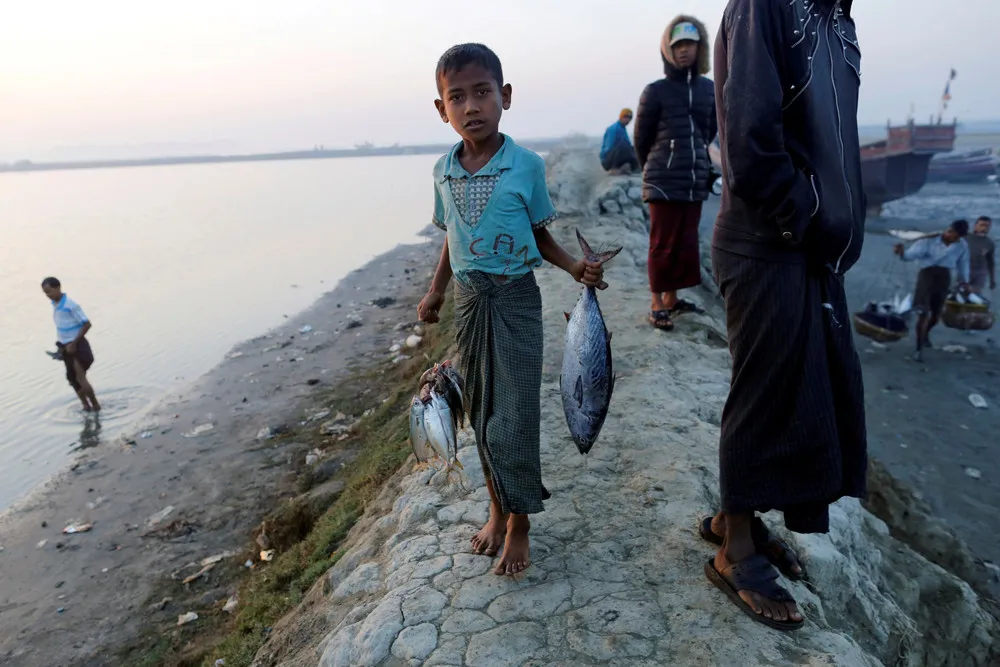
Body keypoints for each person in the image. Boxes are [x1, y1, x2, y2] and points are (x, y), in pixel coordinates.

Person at [417, 43, 608, 576]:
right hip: (470, 301)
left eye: (482, 93)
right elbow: (450, 238)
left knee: (516, 414)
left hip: (518, 299)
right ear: (442, 109)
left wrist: (575, 268)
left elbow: (541, 236)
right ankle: (496, 510)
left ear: (504, 97)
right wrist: (435, 291)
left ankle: (520, 522)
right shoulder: (442, 171)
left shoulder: (526, 165)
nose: (471, 106)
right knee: (480, 412)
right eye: (457, 97)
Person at [706, 0, 868, 630]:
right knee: (762, 394)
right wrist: (803, 212)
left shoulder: (839, 22)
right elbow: (748, 137)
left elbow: (837, 138)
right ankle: (733, 549)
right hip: (764, 242)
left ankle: (731, 515)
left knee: (806, 395)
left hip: (812, 249)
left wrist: (841, 224)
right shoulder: (763, 5)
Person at [634, 15, 717, 332]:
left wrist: (693, 157)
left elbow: (710, 130)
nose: (684, 51)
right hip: (663, 179)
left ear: (700, 48)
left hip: (694, 178)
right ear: (668, 50)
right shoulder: (655, 91)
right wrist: (656, 169)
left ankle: (672, 299)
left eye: (690, 45)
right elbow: (641, 139)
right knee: (662, 243)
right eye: (677, 45)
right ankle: (656, 304)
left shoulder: (709, 90)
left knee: (685, 242)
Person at [894, 219, 971, 360]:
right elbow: (912, 255)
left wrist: (965, 282)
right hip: (926, 276)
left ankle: (925, 335)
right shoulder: (929, 240)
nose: (953, 237)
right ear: (949, 229)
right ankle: (918, 349)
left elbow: (963, 263)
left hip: (944, 278)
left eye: (957, 236)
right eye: (952, 233)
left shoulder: (962, 245)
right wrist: (902, 253)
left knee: (936, 315)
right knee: (923, 312)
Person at [41, 277, 100, 412]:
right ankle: (85, 405)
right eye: (45, 293)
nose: (47, 296)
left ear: (58, 288)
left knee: (80, 377)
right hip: (65, 346)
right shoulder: (55, 304)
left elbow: (87, 324)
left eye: (49, 292)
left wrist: (73, 344)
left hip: (77, 346)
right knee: (72, 378)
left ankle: (95, 405)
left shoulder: (70, 305)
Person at [599, 109, 639, 174]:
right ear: (621, 117)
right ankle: (614, 169)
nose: (628, 120)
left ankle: (635, 167)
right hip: (607, 160)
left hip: (618, 156)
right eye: (625, 117)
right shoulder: (613, 129)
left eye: (630, 118)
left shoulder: (623, 129)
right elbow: (608, 147)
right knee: (622, 145)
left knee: (636, 149)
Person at [967, 216, 995, 294]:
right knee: (962, 292)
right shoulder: (966, 237)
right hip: (965, 268)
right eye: (982, 225)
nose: (984, 228)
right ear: (975, 225)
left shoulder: (989, 243)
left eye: (987, 226)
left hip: (980, 271)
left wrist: (992, 279)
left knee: (975, 293)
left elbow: (990, 262)